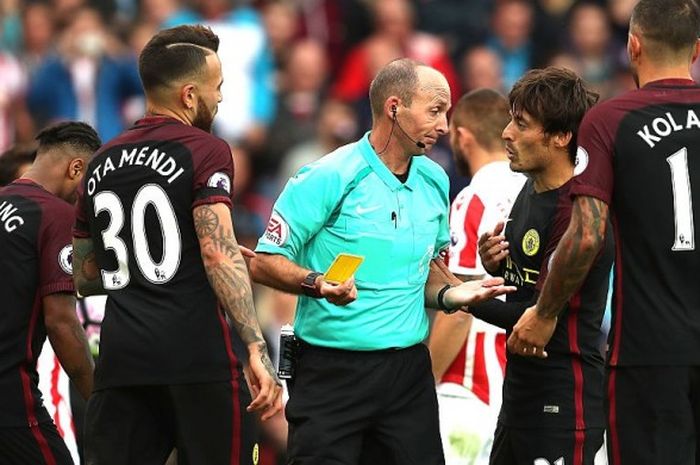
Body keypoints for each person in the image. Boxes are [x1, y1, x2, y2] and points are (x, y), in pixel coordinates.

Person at [249, 58, 514, 465]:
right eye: (435, 110)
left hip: (407, 373)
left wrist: (451, 293)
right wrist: (317, 283)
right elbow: (265, 262)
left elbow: (426, 271)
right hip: (331, 372)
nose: (444, 125)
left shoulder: (435, 179)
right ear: (394, 107)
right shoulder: (329, 176)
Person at [71, 25, 282, 465]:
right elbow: (216, 252)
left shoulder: (99, 163)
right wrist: (255, 347)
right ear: (189, 96)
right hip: (196, 359)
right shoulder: (205, 150)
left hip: (122, 359)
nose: (220, 98)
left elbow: (86, 277)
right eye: (217, 88)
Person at [507, 2, 700, 465]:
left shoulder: (611, 119)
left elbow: (586, 234)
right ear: (696, 50)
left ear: (632, 46)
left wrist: (545, 311)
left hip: (648, 351)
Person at [474, 67, 609, 465]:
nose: (506, 133)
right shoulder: (530, 188)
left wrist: (456, 294)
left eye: (521, 124)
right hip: (518, 397)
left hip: (563, 403)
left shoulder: (576, 212)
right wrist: (495, 266)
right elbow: (525, 284)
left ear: (561, 137)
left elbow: (536, 319)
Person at [428, 88, 526, 465]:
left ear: (462, 136)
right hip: (519, 381)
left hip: (470, 387)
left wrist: (423, 385)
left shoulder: (475, 198)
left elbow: (463, 306)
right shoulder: (538, 192)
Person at [0, 121, 100, 465]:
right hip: (10, 396)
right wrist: (100, 399)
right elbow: (61, 322)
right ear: (77, 168)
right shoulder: (56, 215)